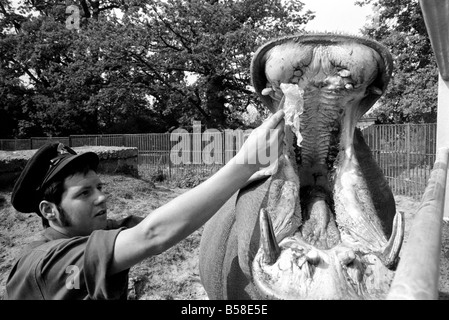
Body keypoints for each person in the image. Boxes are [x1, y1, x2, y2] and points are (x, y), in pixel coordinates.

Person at [4, 110, 285, 300]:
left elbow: (164, 221)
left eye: (99, 188)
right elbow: (153, 234)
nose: (101, 197)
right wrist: (245, 163)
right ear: (49, 211)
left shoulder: (88, 233)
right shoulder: (45, 262)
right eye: (84, 193)